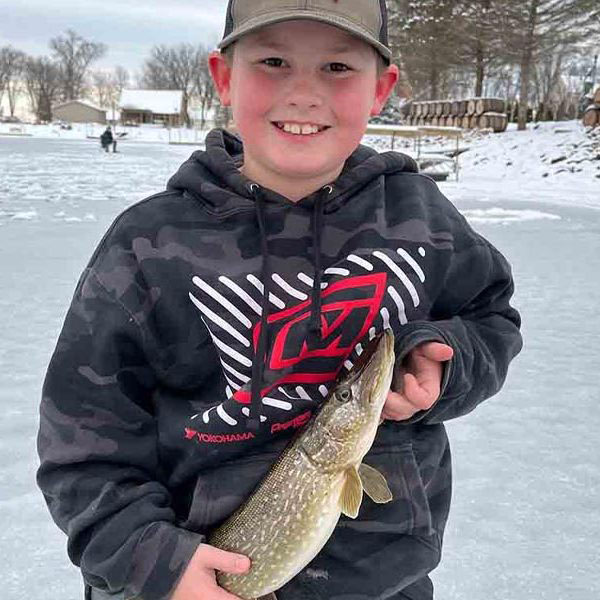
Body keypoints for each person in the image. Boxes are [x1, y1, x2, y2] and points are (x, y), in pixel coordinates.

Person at [36, 2, 523, 600]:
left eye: (338, 68)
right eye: (273, 61)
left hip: (380, 583)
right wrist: (152, 561)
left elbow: (489, 317)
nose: (303, 94)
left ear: (382, 88)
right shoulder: (149, 245)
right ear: (223, 77)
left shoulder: (421, 219)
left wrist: (447, 362)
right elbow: (83, 445)